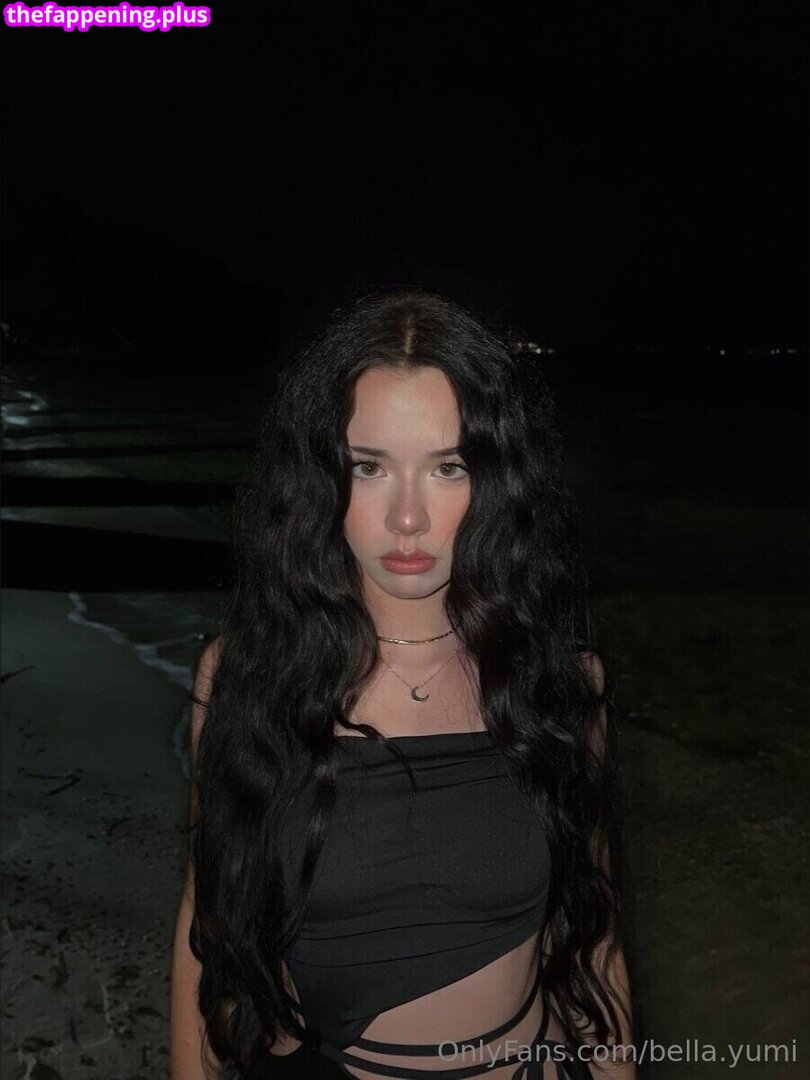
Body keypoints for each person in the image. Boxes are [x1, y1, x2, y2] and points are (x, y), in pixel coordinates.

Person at [170, 288, 636, 1080]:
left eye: (448, 467)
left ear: (495, 482)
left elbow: (596, 941)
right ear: (322, 478)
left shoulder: (561, 683)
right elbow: (205, 930)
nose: (409, 518)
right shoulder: (246, 679)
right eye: (370, 467)